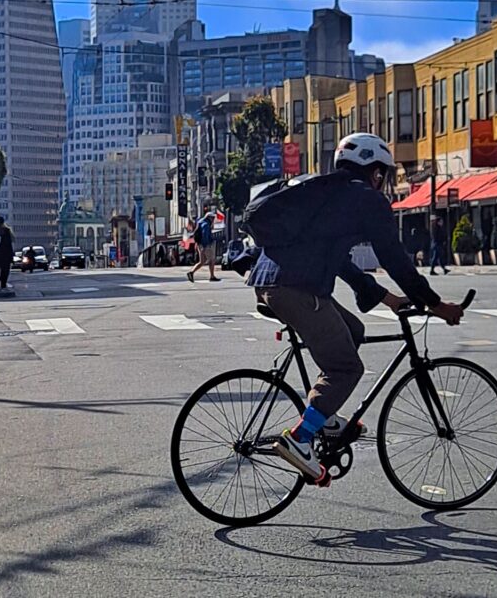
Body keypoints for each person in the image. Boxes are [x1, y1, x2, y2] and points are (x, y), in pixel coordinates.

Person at [247, 133, 464, 483]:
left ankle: (325, 417)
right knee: (346, 368)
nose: (384, 181)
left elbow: (341, 263)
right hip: (296, 290)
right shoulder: (364, 199)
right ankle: (301, 438)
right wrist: (435, 304)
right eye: (383, 173)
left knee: (354, 331)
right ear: (374, 172)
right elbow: (394, 259)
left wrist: (387, 299)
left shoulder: (326, 190)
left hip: (271, 283)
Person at [187, 211, 220, 283]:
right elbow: (205, 235)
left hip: (200, 244)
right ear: (209, 218)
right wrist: (206, 245)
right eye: (212, 218)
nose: (213, 219)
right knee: (211, 260)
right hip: (206, 245)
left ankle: (191, 272)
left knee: (202, 261)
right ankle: (212, 276)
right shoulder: (206, 224)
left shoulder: (200, 222)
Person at [0, 216, 14, 290]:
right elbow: (8, 245)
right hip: (5, 254)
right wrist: (11, 256)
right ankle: (3, 285)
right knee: (5, 270)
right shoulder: (6, 231)